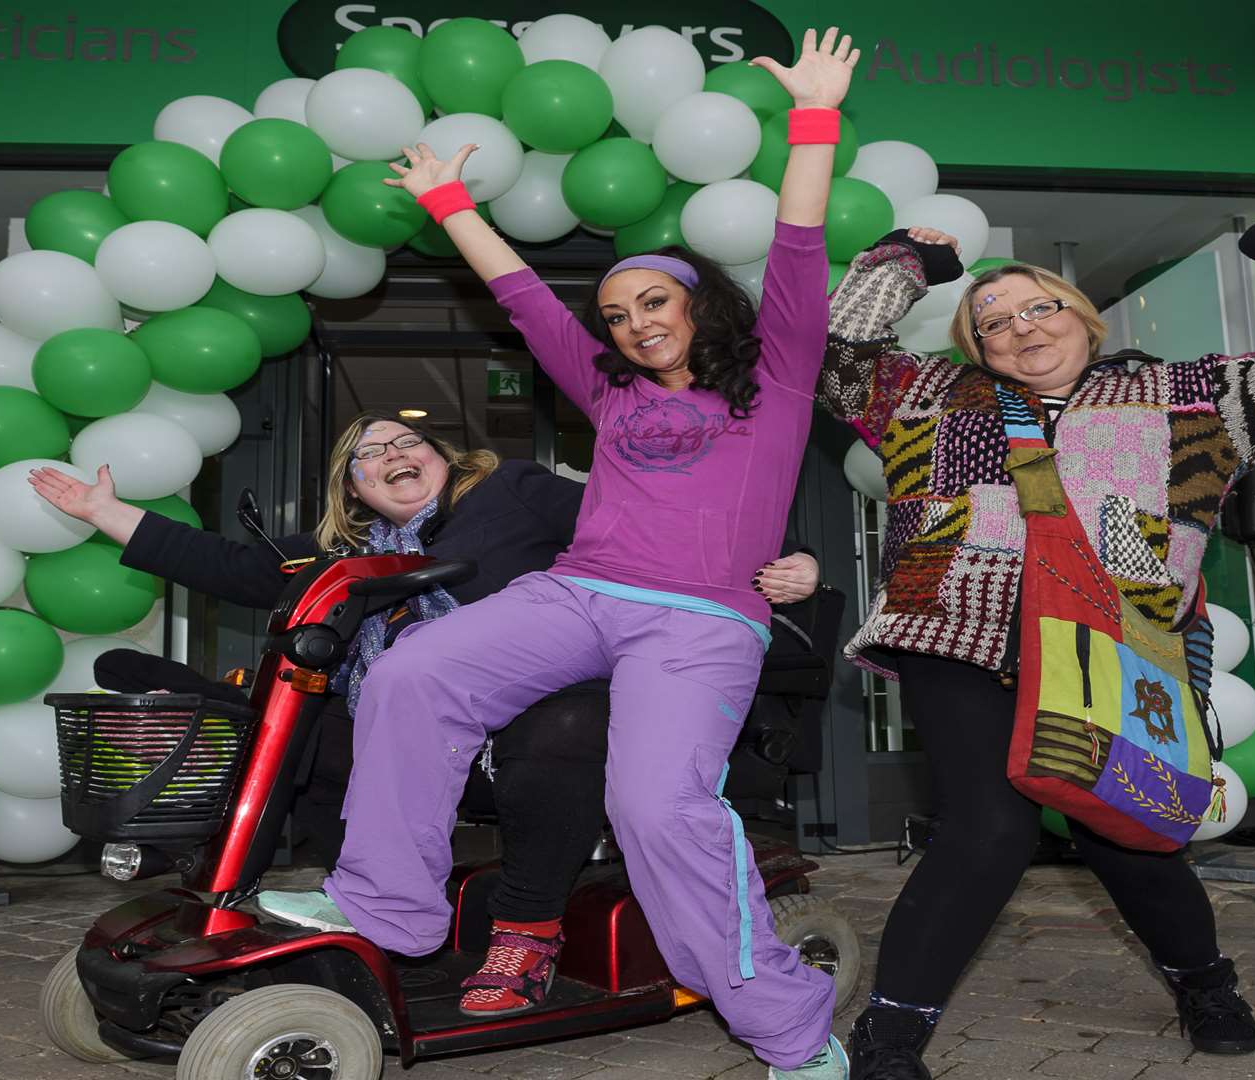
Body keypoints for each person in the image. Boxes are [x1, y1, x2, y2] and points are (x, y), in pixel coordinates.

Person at [252, 28, 862, 1080]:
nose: (633, 325)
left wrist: (814, 116)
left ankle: (791, 1032)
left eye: (653, 302)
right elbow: (525, 298)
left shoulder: (777, 376)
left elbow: (800, 245)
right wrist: (450, 204)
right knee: (410, 674)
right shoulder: (609, 391)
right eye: (618, 315)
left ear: (699, 303)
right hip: (578, 594)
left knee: (659, 807)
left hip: (703, 619)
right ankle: (386, 904)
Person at [818, 202, 1255, 1079]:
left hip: (1118, 642)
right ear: (976, 347)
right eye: (992, 320)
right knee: (985, 833)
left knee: (1125, 835)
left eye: (1036, 306)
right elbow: (834, 356)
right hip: (958, 628)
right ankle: (892, 1030)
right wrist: (900, 262)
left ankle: (1204, 979)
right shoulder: (928, 395)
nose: (1017, 326)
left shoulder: (1195, 396)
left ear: (1082, 316)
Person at [26, 414, 819, 1016]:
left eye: (404, 445)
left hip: (541, 701)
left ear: (445, 460)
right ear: (354, 489)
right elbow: (233, 568)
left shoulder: (511, 489)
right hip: (410, 718)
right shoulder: (346, 557)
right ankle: (345, 913)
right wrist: (107, 514)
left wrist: (785, 562)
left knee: (570, 722)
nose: (388, 456)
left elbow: (652, 519)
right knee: (281, 724)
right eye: (366, 455)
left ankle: (526, 934)